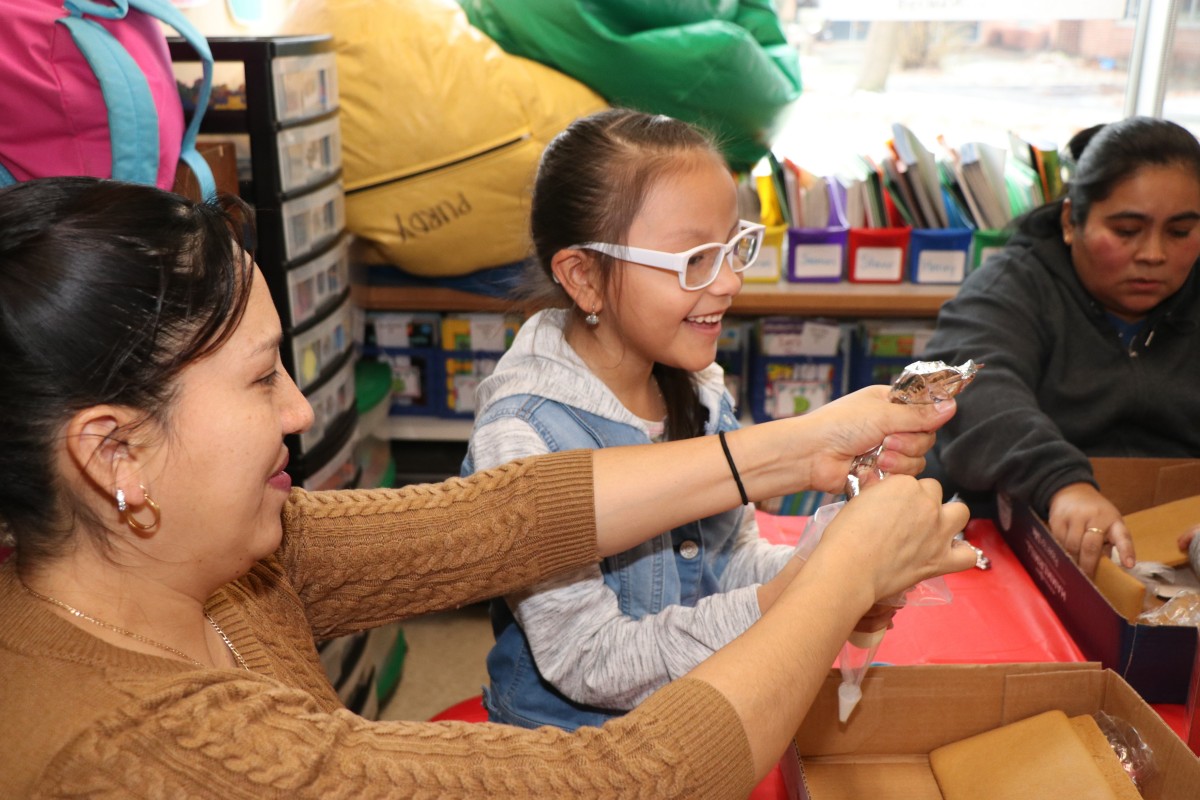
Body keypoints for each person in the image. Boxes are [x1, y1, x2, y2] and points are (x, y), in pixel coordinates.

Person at [0, 176, 976, 798]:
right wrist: (843, 569)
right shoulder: (142, 758)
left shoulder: (207, 563)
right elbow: (622, 778)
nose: (301, 411)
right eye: (262, 379)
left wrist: (804, 443)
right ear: (112, 452)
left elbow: (497, 521)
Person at [463, 108, 889, 732]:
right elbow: (590, 659)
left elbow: (726, 561)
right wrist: (797, 601)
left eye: (734, 248)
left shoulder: (697, 382)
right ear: (584, 276)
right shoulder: (524, 435)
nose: (730, 281)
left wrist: (833, 572)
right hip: (566, 758)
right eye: (695, 259)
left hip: (691, 721)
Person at [923, 116, 1200, 578]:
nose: (1153, 254)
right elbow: (972, 385)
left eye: (1180, 232)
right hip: (1009, 544)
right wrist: (1062, 483)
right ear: (1072, 221)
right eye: (1127, 231)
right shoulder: (1012, 286)